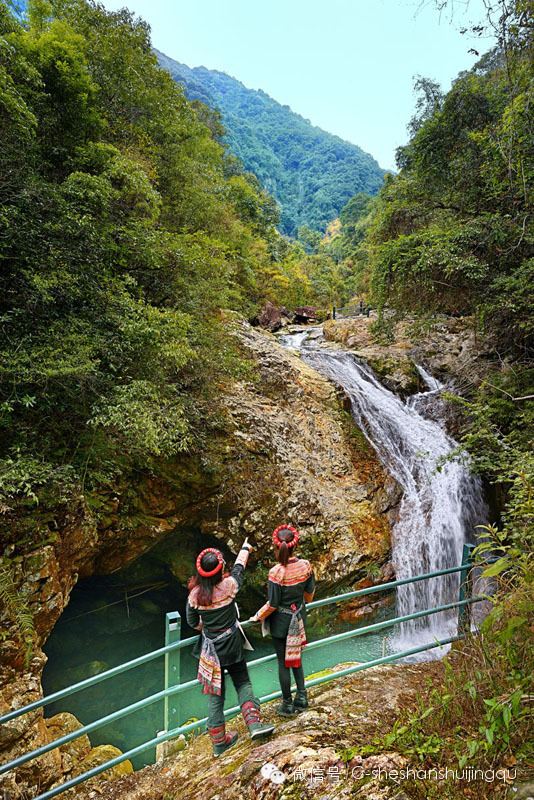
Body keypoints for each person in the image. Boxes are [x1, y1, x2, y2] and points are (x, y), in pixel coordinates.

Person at [186, 539, 275, 757]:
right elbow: (239, 569)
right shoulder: (230, 587)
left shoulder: (195, 596)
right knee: (242, 681)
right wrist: (245, 548)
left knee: (216, 694)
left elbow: (191, 622)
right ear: (220, 569)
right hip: (232, 644)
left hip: (211, 651)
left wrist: (206, 628)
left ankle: (219, 744)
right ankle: (254, 725)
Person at [249, 525, 316, 716]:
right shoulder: (306, 566)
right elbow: (309, 596)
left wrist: (257, 616)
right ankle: (302, 697)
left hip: (281, 623)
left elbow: (273, 604)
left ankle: (287, 704)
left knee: (283, 663)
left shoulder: (276, 572)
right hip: (299, 618)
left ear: (276, 547)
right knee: (297, 659)